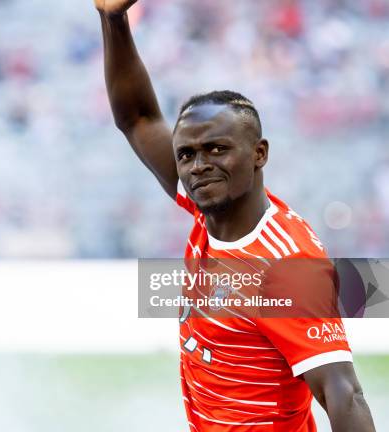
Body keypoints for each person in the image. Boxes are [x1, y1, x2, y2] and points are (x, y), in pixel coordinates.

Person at [94, 0, 376, 430]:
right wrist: (112, 19)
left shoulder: (285, 264)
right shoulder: (205, 201)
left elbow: (343, 392)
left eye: (217, 149)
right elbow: (138, 117)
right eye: (186, 154)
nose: (198, 165)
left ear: (259, 154)